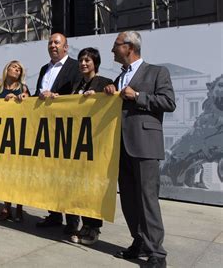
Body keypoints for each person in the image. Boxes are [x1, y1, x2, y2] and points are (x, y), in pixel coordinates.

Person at [104, 31, 175, 268]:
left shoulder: (157, 72)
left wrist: (139, 96)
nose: (113, 50)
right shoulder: (118, 78)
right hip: (121, 146)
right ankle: (139, 241)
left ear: (129, 47)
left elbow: (168, 102)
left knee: (147, 199)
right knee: (129, 199)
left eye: (116, 46)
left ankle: (157, 252)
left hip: (145, 145)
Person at [33, 33, 82, 234]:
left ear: (66, 47)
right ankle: (53, 214)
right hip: (46, 129)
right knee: (50, 175)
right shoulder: (44, 69)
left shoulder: (74, 66)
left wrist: (58, 98)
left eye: (57, 42)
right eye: (50, 42)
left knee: (67, 177)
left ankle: (72, 220)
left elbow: (77, 94)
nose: (53, 45)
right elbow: (38, 94)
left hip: (65, 129)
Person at [68, 47, 113, 245]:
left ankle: (94, 227)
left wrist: (107, 94)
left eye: (87, 60)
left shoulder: (105, 83)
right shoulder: (75, 84)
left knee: (93, 186)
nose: (83, 63)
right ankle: (84, 224)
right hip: (76, 144)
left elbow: (112, 102)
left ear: (95, 63)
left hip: (96, 142)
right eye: (81, 60)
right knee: (79, 186)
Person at [0, 60, 30, 222]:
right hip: (1, 136)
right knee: (5, 174)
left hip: (18, 135)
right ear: (7, 68)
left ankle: (20, 208)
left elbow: (29, 104)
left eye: (19, 69)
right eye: (14, 67)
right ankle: (6, 206)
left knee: (19, 174)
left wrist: (18, 98)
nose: (17, 70)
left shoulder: (22, 88)